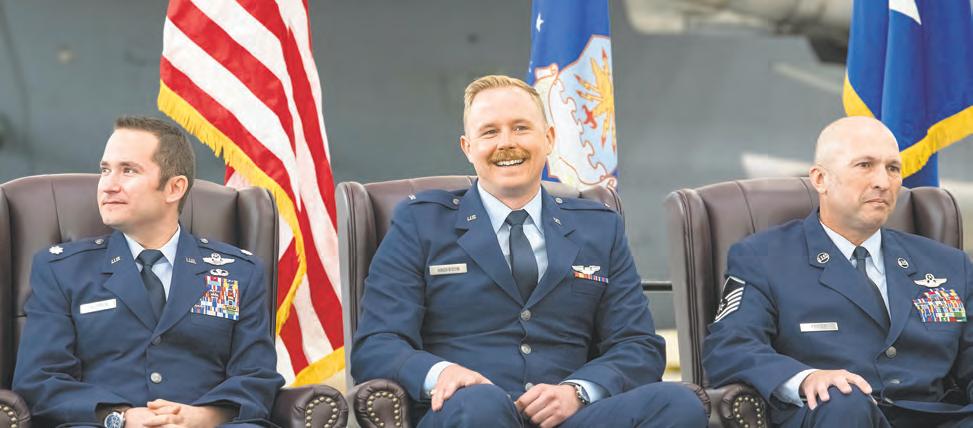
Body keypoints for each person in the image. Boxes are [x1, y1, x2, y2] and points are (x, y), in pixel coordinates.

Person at [351, 75, 706, 428]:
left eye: (520, 128)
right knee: (482, 404)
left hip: (569, 416)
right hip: (468, 412)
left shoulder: (599, 228)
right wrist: (442, 374)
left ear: (548, 138)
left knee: (679, 404)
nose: (506, 143)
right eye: (489, 132)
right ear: (467, 147)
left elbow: (638, 345)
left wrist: (578, 392)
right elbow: (377, 344)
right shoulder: (421, 223)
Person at [12, 116, 284, 427]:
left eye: (128, 170)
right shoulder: (61, 270)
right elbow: (40, 379)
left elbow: (256, 376)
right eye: (105, 170)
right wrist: (121, 417)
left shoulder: (239, 273)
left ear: (174, 188)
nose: (108, 185)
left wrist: (203, 417)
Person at [703, 116, 973, 427]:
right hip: (840, 415)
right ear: (820, 179)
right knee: (842, 402)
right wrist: (806, 378)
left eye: (892, 168)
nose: (883, 182)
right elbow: (730, 348)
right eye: (865, 165)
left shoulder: (947, 264)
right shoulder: (764, 257)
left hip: (936, 417)